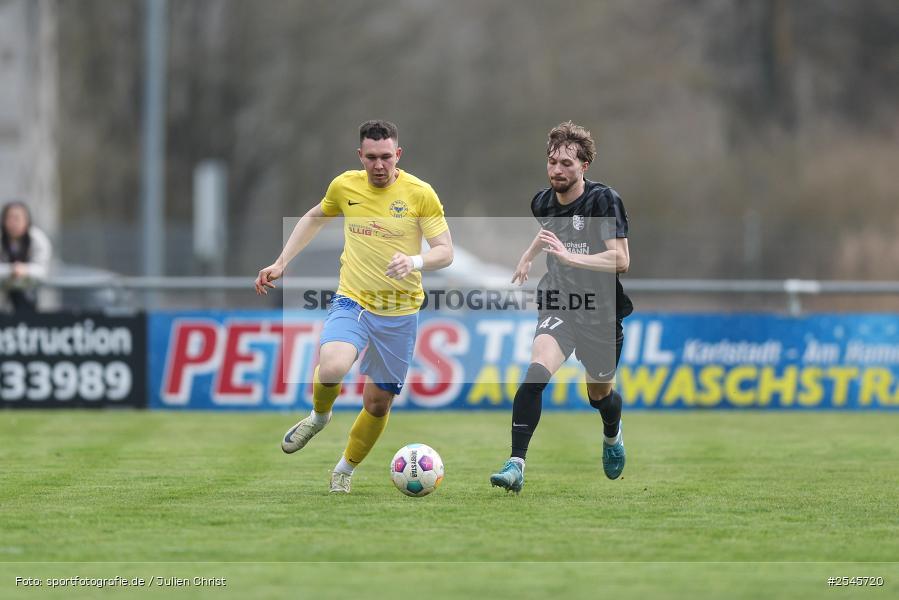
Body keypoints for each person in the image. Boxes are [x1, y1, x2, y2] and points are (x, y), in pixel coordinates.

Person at [255, 120, 453, 494]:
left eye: (386, 157)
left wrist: (414, 262)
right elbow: (315, 216)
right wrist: (282, 262)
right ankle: (318, 416)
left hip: (400, 312)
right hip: (354, 300)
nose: (379, 166)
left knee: (377, 405)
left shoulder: (420, 193)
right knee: (331, 366)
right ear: (360, 156)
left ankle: (344, 470)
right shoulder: (344, 185)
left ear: (399, 155)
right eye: (371, 158)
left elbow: (446, 252)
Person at [490, 121, 633, 493]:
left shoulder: (604, 200)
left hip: (600, 313)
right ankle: (515, 464)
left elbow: (621, 260)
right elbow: (550, 230)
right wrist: (528, 256)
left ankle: (612, 434)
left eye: (567, 163)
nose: (557, 170)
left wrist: (572, 258)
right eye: (552, 161)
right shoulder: (541, 201)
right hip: (558, 301)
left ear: (584, 165)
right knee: (536, 374)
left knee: (600, 396)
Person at [0, 201, 52, 313]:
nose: (13, 223)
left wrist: (25, 270)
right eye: (10, 218)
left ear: (26, 221)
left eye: (17, 218)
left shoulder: (38, 240)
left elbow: (43, 270)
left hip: (29, 297)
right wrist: (10, 270)